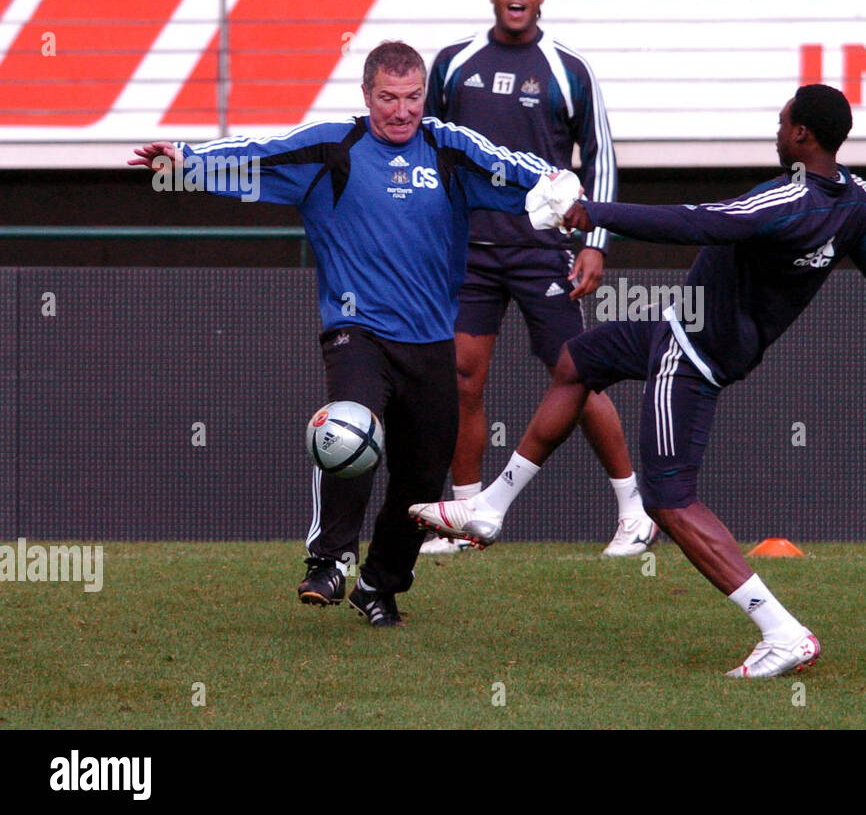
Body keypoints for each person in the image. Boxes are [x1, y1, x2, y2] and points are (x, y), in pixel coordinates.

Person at [411, 84, 866, 677]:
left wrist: (591, 214)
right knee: (576, 363)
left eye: (783, 120)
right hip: (687, 329)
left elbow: (694, 222)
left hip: (692, 352)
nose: (777, 127)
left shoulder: (788, 200)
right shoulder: (862, 203)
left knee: (669, 500)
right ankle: (490, 509)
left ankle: (782, 632)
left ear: (802, 135)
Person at [129, 40, 570, 626]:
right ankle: (329, 558)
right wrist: (185, 159)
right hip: (355, 329)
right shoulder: (334, 146)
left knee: (421, 477)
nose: (402, 110)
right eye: (388, 98)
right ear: (367, 96)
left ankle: (379, 585)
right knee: (349, 428)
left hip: (431, 338)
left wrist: (560, 190)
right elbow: (262, 153)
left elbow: (523, 172)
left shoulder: (448, 147)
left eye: (412, 97)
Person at [421, 0, 654, 558]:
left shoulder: (566, 68)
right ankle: (466, 515)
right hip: (468, 250)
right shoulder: (452, 63)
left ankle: (635, 511)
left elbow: (599, 156)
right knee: (462, 378)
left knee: (577, 373)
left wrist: (595, 243)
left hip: (543, 250)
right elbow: (429, 149)